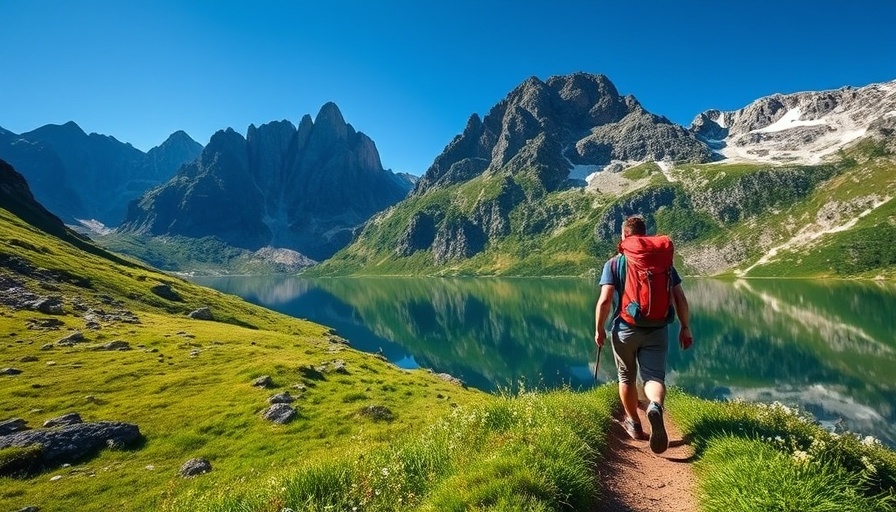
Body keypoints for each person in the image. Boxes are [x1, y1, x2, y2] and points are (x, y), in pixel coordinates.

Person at [594, 215, 693, 454]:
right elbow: (679, 297)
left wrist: (599, 329)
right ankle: (655, 405)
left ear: (624, 236)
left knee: (626, 377)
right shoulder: (664, 263)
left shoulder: (615, 263)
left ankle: (634, 424)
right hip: (658, 329)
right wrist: (685, 326)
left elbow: (605, 300)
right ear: (645, 234)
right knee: (654, 377)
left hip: (625, 329)